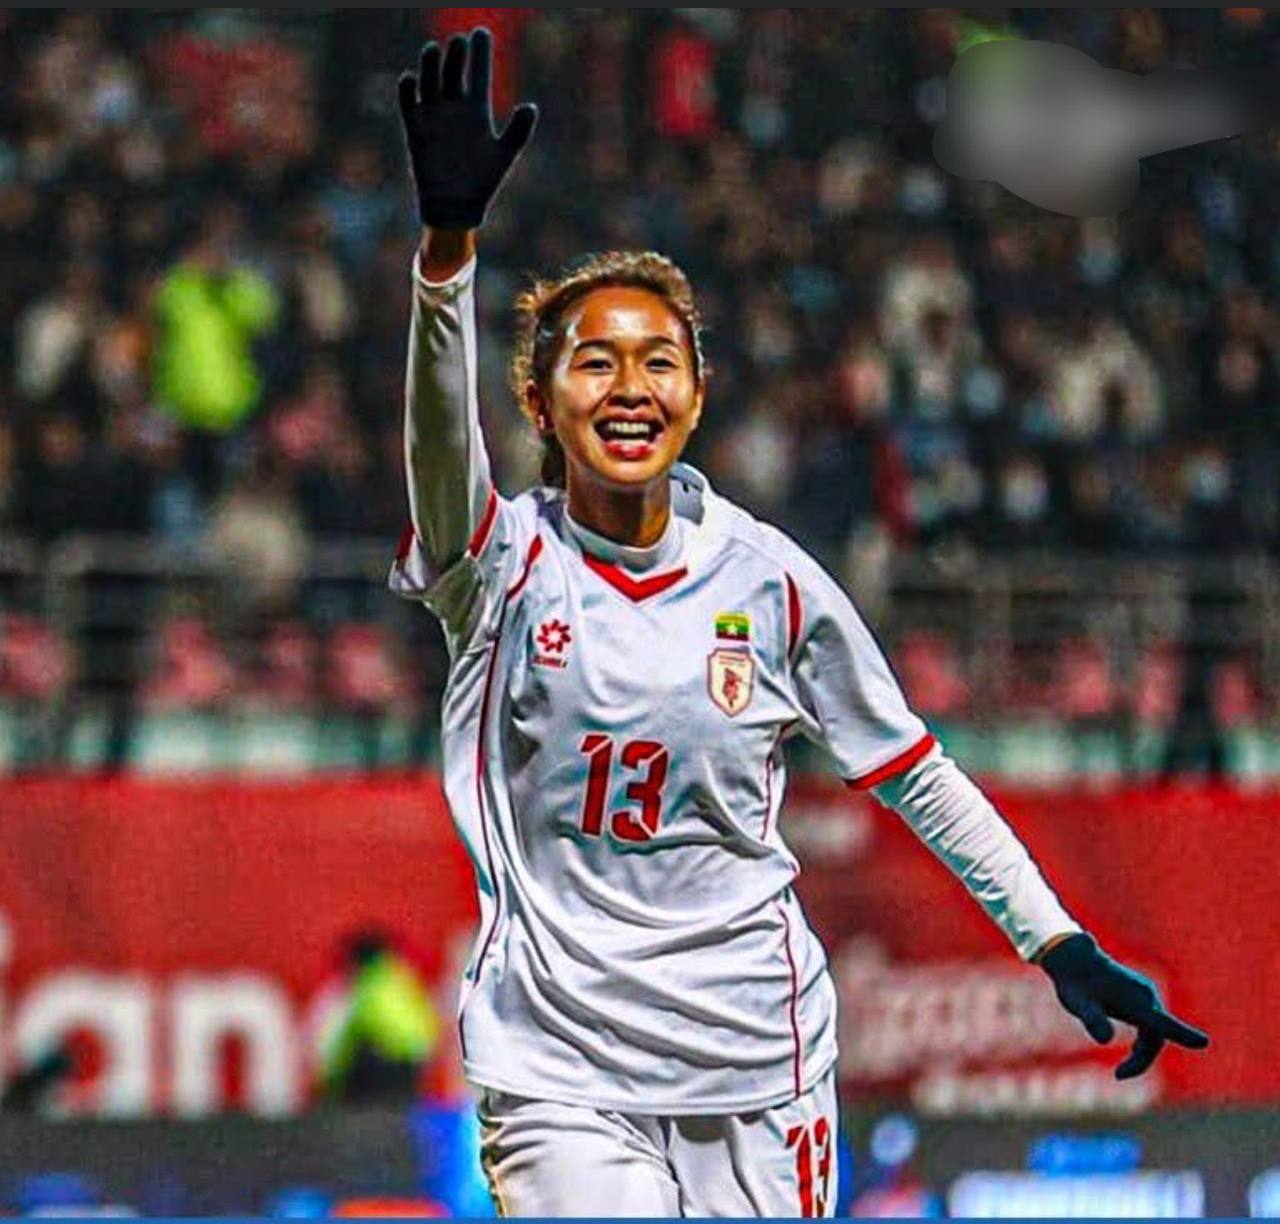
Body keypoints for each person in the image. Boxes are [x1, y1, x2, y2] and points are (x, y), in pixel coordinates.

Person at [388, 30, 1209, 1218]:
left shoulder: (769, 583)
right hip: (560, 1071)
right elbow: (433, 445)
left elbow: (915, 775)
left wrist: (1055, 942)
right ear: (537, 402)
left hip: (759, 1069)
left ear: (696, 394)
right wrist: (446, 258)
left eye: (658, 362)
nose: (630, 388)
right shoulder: (498, 567)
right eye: (594, 365)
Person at [318, 929, 442, 1106]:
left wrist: (330, 1081)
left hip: (379, 1071)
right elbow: (429, 1029)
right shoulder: (405, 981)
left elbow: (345, 1038)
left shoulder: (366, 986)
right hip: (412, 1070)